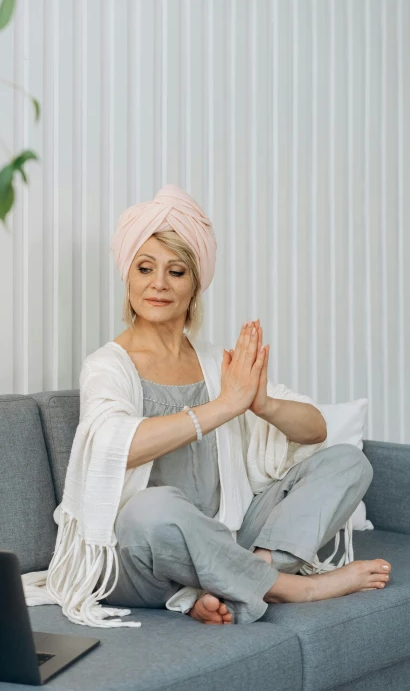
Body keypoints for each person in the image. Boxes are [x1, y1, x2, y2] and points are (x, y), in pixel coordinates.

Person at [25, 184, 391, 628]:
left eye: (176, 272)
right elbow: (112, 446)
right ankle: (289, 586)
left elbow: (315, 429)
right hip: (139, 552)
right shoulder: (108, 365)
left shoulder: (218, 362)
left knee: (350, 462)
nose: (158, 284)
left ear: (194, 285)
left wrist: (260, 403)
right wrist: (224, 406)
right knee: (151, 508)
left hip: (228, 537)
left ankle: (228, 581)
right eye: (145, 268)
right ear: (129, 276)